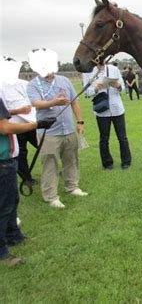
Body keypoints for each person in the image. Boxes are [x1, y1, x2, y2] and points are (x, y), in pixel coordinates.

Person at [26, 49, 88, 209]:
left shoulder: (64, 81)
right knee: (49, 163)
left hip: (67, 129)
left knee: (71, 160)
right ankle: (51, 196)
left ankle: (72, 187)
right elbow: (35, 103)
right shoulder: (33, 84)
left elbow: (75, 101)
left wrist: (80, 121)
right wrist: (53, 103)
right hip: (48, 133)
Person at [0, 97, 55, 267]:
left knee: (12, 201)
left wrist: (17, 111)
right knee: (4, 206)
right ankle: (2, 253)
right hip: (2, 159)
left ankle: (14, 236)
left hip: (7, 158)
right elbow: (4, 127)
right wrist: (36, 125)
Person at [0, 58, 38, 187]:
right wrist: (18, 110)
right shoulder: (1, 86)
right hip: (16, 126)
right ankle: (27, 178)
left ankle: (52, 170)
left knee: (44, 147)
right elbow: (3, 112)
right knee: (21, 153)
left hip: (32, 121)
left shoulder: (24, 83)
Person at [87, 62, 132, 170]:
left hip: (117, 109)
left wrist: (118, 86)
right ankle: (107, 163)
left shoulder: (113, 69)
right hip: (102, 111)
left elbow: (124, 89)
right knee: (104, 138)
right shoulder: (90, 72)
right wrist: (96, 88)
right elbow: (88, 92)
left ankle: (126, 161)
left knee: (122, 137)